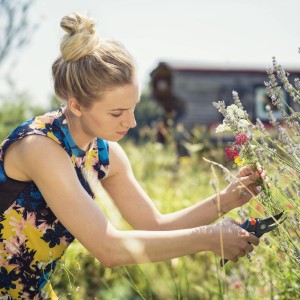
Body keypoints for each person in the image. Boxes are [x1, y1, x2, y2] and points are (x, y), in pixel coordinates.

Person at [0, 13, 267, 300]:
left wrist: (228, 199)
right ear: (76, 105)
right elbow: (108, 249)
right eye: (117, 113)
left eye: (133, 107)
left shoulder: (106, 154)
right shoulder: (39, 148)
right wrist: (209, 238)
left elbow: (155, 226)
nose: (132, 122)